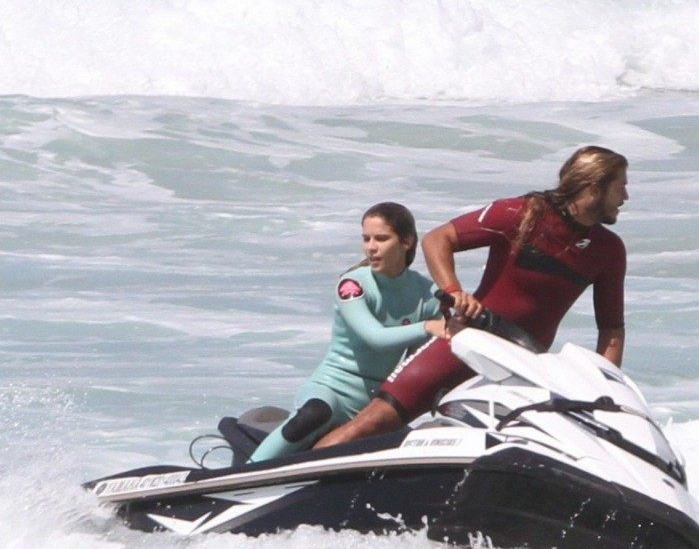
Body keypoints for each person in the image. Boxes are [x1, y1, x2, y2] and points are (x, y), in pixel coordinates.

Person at [314, 145, 628, 449]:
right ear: (594, 187)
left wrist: (601, 390)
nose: (625, 197)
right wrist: (453, 292)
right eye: (620, 187)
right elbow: (439, 239)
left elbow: (611, 330)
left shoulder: (608, 250)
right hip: (466, 341)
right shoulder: (520, 213)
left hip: (523, 366)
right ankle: (295, 481)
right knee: (375, 421)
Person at [247, 202, 446, 462]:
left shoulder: (425, 294)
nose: (371, 247)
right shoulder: (353, 284)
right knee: (314, 415)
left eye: (381, 238)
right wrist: (427, 326)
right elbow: (374, 337)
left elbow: (419, 360)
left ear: (406, 241)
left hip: (376, 399)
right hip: (331, 390)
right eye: (366, 238)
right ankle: (243, 472)